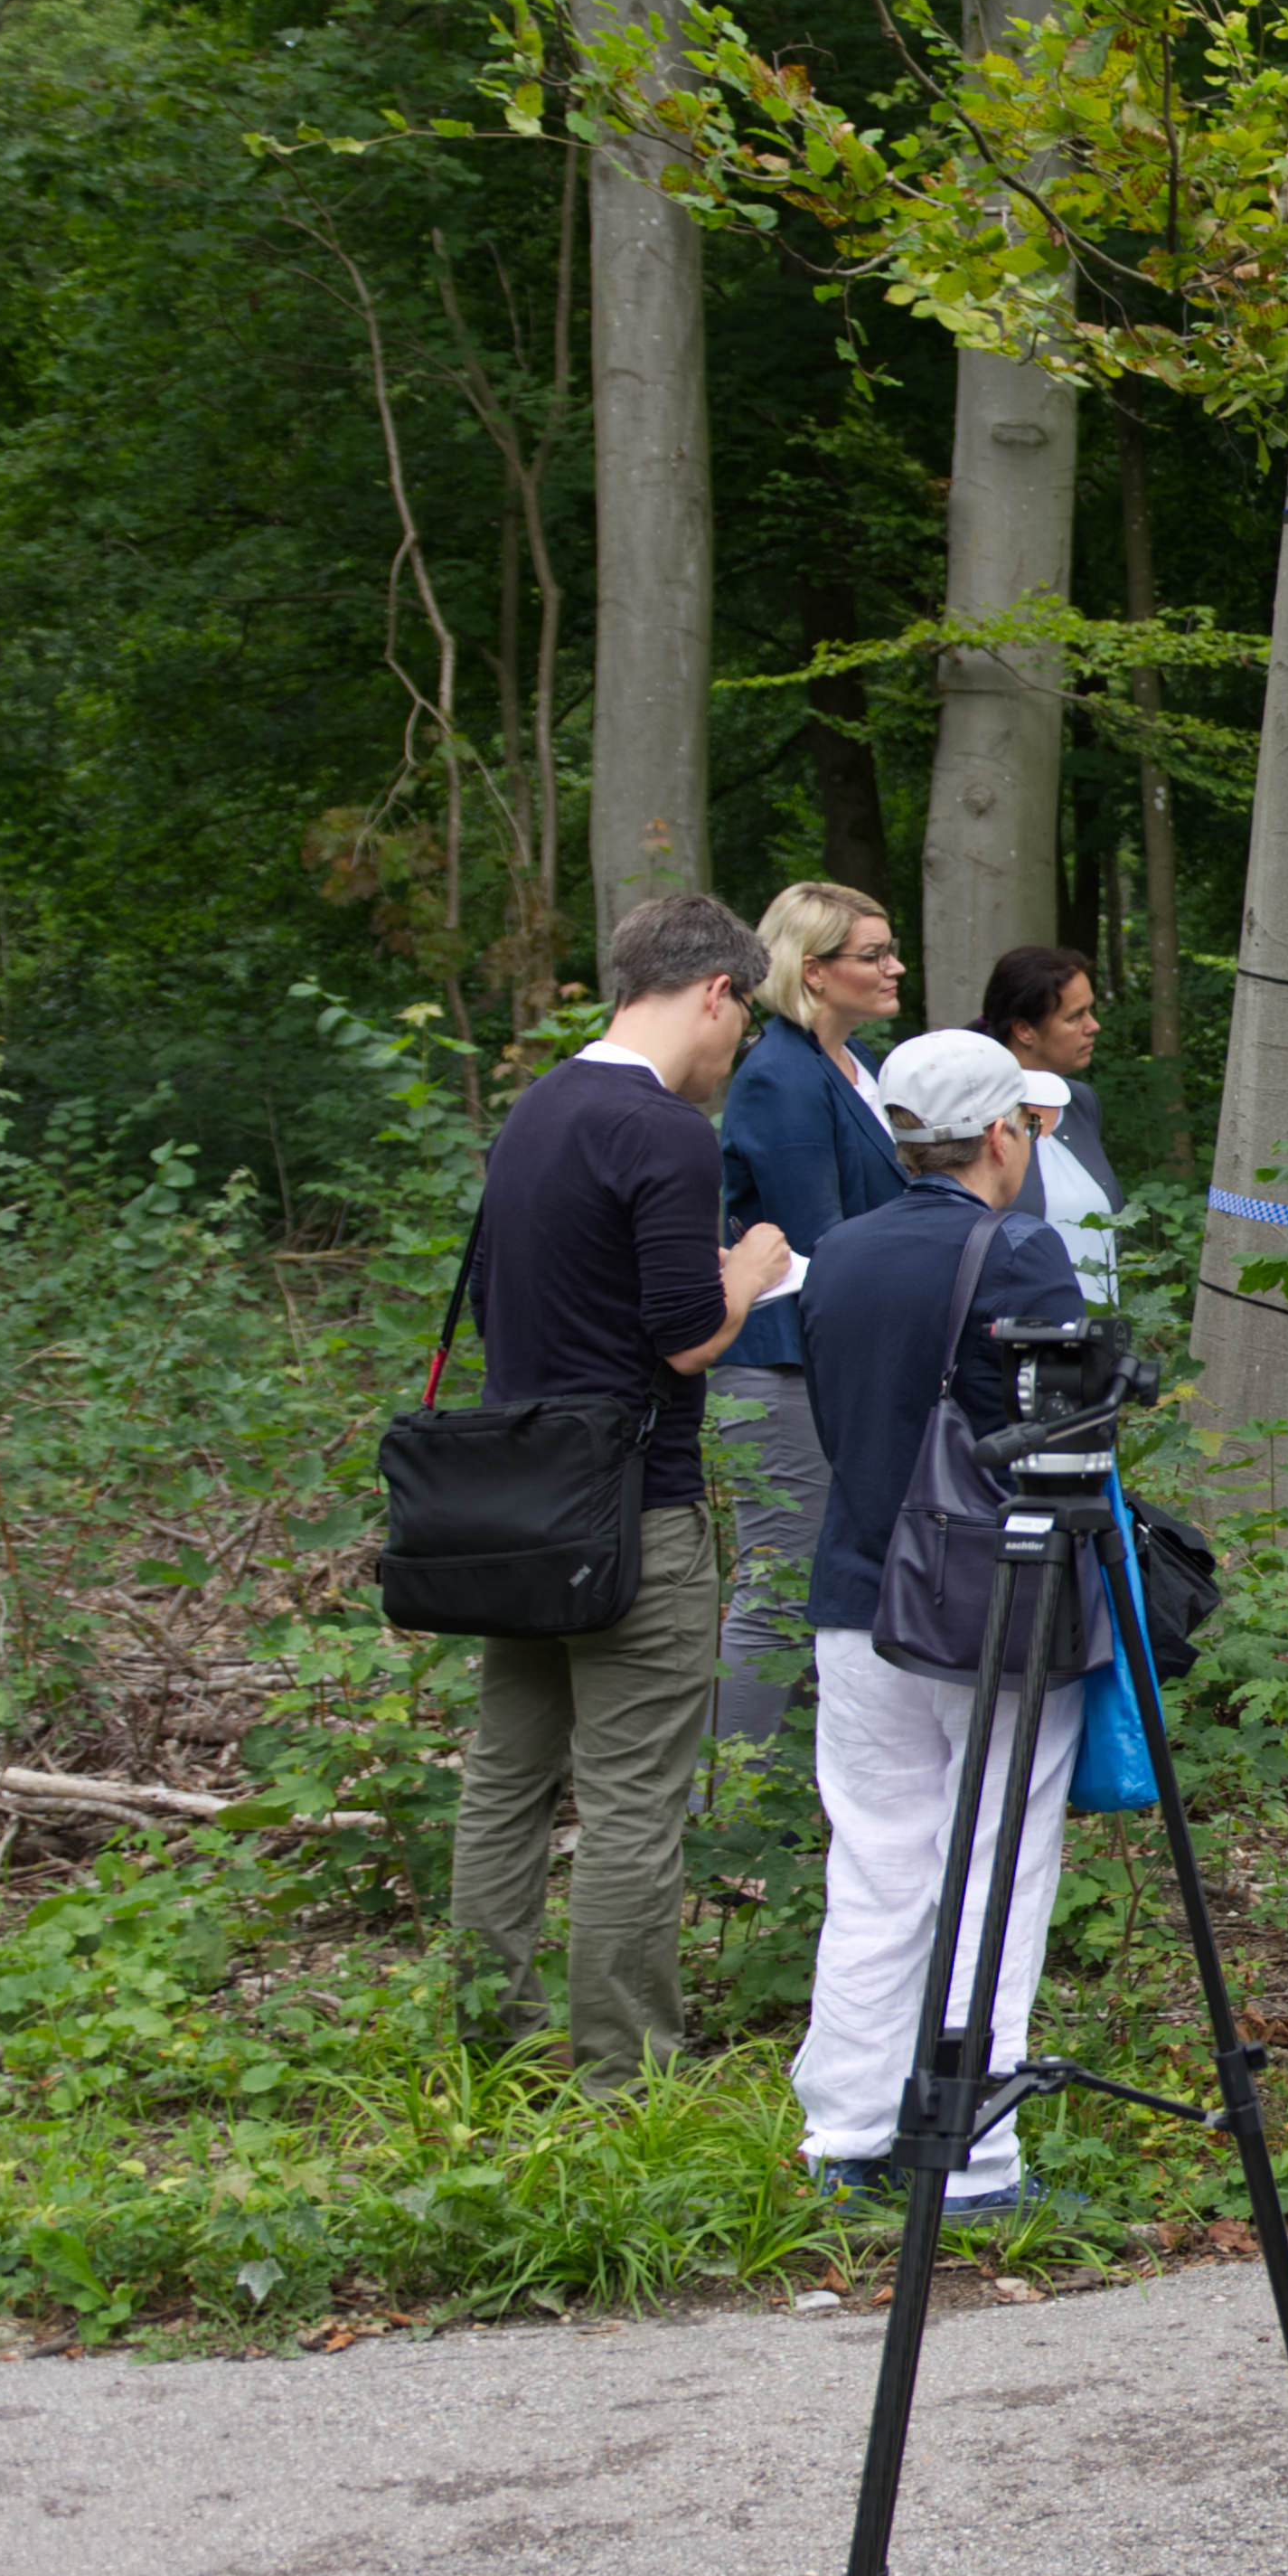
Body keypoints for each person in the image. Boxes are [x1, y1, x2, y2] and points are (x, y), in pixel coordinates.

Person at [443, 892, 793, 2085]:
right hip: (633, 1504)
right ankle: (623, 2076)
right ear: (716, 994)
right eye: (741, 1021)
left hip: (518, 1502)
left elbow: (524, 1298)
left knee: (508, 1777)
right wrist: (748, 1265)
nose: (735, 1049)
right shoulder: (663, 1132)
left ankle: (494, 2041)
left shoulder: (537, 1110)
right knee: (635, 1794)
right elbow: (689, 1336)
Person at [791, 1029, 1096, 2214]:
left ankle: (850, 2140)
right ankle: (973, 2157)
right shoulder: (1021, 1252)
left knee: (873, 1867)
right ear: (998, 1135)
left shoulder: (840, 1254)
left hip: (856, 1598)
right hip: (990, 1606)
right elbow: (1063, 1441)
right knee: (996, 1872)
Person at [710, 884, 910, 1760]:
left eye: (891, 948)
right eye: (873, 954)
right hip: (784, 1364)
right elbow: (817, 1241)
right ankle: (723, 1811)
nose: (895, 966)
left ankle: (791, 1797)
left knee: (826, 1581)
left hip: (838, 1364)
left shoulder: (855, 1065)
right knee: (782, 1583)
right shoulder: (781, 1076)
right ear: (814, 971)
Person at [982, 943, 1120, 1306]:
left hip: (1095, 1342)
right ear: (1025, 1030)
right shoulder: (978, 1112)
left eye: (1090, 1011)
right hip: (1012, 1342)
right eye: (1075, 1017)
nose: (1094, 1026)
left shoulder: (1080, 1102)